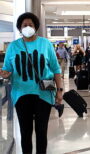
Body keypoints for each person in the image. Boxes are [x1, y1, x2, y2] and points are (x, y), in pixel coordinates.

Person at [0, 12, 63, 154]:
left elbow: (56, 69)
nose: (27, 27)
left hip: (44, 94)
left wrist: (60, 91)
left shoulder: (45, 44)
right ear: (19, 28)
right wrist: (5, 73)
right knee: (25, 133)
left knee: (42, 132)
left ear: (36, 27)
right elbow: (7, 69)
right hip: (21, 94)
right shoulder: (13, 46)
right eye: (24, 25)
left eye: (30, 25)